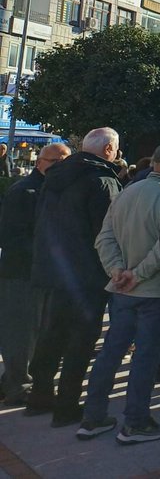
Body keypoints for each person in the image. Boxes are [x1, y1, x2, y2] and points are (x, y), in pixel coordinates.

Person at [76, 141, 160, 444]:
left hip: (123, 290)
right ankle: (136, 421)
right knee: (146, 357)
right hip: (156, 292)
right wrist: (136, 274)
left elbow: (104, 238)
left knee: (111, 352)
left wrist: (118, 272)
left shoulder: (126, 192)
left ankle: (93, 417)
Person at [26, 128, 123, 427]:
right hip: (88, 277)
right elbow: (107, 235)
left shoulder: (56, 176)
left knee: (52, 335)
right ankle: (67, 406)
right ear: (108, 149)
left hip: (56, 270)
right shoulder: (102, 181)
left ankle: (40, 396)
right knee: (80, 343)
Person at [0, 142, 69, 405]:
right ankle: (19, 386)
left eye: (65, 162)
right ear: (40, 162)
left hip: (40, 273)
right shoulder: (24, 191)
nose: (59, 167)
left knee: (36, 330)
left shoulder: (48, 190)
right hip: (21, 273)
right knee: (21, 333)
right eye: (55, 162)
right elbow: (12, 236)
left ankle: (13, 381)